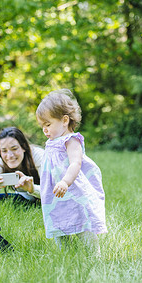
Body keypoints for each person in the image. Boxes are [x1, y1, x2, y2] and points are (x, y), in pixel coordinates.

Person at [36, 89, 107, 254]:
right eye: (42, 126)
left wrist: (65, 181)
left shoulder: (71, 140)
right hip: (56, 194)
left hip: (72, 190)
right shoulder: (51, 142)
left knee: (80, 219)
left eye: (48, 124)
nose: (44, 130)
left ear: (64, 120)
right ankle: (65, 255)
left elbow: (76, 162)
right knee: (59, 221)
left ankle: (93, 254)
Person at [0, 127, 44, 204]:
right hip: (26, 198)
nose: (9, 156)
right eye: (4, 151)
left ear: (23, 147)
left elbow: (52, 192)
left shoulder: (39, 156)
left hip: (46, 197)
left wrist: (33, 189)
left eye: (14, 149)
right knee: (2, 201)